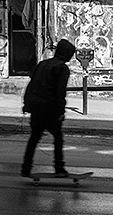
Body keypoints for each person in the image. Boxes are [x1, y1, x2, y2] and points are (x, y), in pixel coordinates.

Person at [21, 38, 75, 177]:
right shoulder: (62, 68)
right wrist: (61, 111)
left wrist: (26, 104)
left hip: (36, 108)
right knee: (58, 138)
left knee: (34, 137)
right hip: (49, 109)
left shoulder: (43, 64)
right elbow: (60, 92)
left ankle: (26, 167)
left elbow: (32, 85)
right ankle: (59, 167)